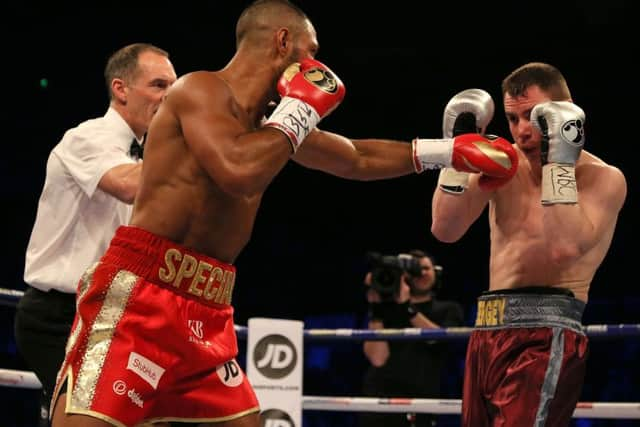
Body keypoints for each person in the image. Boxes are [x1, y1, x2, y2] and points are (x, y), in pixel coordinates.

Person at [49, 2, 518, 426]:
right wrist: (297, 110)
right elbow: (238, 170)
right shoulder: (200, 91)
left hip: (207, 309)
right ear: (282, 42)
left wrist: (451, 152)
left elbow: (353, 156)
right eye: (310, 52)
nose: (315, 67)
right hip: (142, 298)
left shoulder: (270, 123)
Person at [430, 64, 627, 426]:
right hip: (486, 331)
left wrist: (559, 161)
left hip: (546, 334)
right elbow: (445, 229)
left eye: (534, 117)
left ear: (566, 113)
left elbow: (563, 248)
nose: (521, 131)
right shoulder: (502, 164)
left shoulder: (603, 178)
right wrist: (455, 152)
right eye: (512, 118)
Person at [14, 42, 176, 426]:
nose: (169, 97)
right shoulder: (87, 138)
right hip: (59, 316)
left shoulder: (144, 153)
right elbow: (125, 184)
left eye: (173, 87)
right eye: (158, 85)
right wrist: (189, 149)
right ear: (121, 89)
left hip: (113, 315)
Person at [360, 250, 464, 427]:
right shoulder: (385, 310)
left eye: (425, 268)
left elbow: (438, 340)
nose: (421, 273)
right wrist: (376, 308)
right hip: (379, 401)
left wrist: (407, 307)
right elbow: (377, 359)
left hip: (420, 402)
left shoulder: (448, 309)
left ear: (436, 272)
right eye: (415, 270)